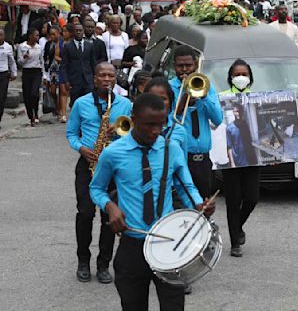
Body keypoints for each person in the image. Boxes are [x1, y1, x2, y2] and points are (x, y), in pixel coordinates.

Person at [89, 93, 214, 310]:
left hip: (168, 244)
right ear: (133, 119)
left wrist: (199, 205)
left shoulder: (171, 149)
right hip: (132, 246)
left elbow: (187, 187)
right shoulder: (113, 153)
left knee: (174, 305)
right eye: (149, 125)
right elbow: (96, 188)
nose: (156, 131)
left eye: (161, 124)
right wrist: (110, 207)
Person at [66, 62, 132, 284]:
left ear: (115, 79)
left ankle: (104, 264)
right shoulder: (81, 103)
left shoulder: (125, 104)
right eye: (102, 76)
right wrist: (82, 148)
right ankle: (83, 261)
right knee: (85, 213)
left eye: (110, 76)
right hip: (88, 164)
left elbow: (132, 133)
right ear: (94, 79)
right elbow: (71, 133)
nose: (106, 79)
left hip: (114, 167)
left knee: (109, 217)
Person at [169, 45, 223, 198]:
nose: (185, 70)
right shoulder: (169, 88)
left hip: (202, 160)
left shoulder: (205, 85)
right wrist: (183, 100)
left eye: (189, 65)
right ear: (174, 67)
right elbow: (166, 122)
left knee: (203, 206)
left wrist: (203, 96)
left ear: (196, 65)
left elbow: (218, 119)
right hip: (180, 158)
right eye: (180, 66)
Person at [220, 59, 260, 258]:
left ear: (250, 77)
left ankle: (238, 226)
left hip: (252, 158)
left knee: (252, 198)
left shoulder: (257, 98)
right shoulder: (222, 98)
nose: (241, 77)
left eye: (244, 74)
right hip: (232, 161)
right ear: (230, 77)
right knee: (233, 200)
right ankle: (235, 242)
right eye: (236, 74)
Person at [61, 24, 97, 106]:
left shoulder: (89, 45)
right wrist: (66, 81)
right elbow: (64, 65)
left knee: (89, 102)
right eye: (76, 30)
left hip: (88, 79)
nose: (78, 32)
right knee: (76, 103)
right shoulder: (68, 46)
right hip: (74, 80)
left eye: (80, 30)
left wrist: (95, 77)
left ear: (83, 31)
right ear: (73, 32)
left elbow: (93, 63)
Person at [18, 28, 44, 126]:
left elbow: (41, 60)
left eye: (38, 35)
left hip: (36, 71)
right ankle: (31, 116)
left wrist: (44, 74)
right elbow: (19, 62)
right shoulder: (22, 46)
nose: (37, 37)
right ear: (30, 36)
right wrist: (25, 57)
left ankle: (36, 112)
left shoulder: (39, 47)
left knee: (34, 93)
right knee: (27, 95)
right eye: (36, 35)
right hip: (27, 71)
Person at [43, 26, 64, 120]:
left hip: (61, 68)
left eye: (54, 34)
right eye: (50, 34)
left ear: (58, 34)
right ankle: (55, 105)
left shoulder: (62, 44)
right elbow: (45, 57)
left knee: (61, 90)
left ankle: (60, 109)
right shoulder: (48, 44)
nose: (52, 36)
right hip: (52, 70)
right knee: (52, 90)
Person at [0, 28, 17, 129]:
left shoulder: (8, 47)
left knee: (1, 97)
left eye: (1, 35)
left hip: (3, 74)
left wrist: (14, 72)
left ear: (4, 36)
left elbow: (12, 61)